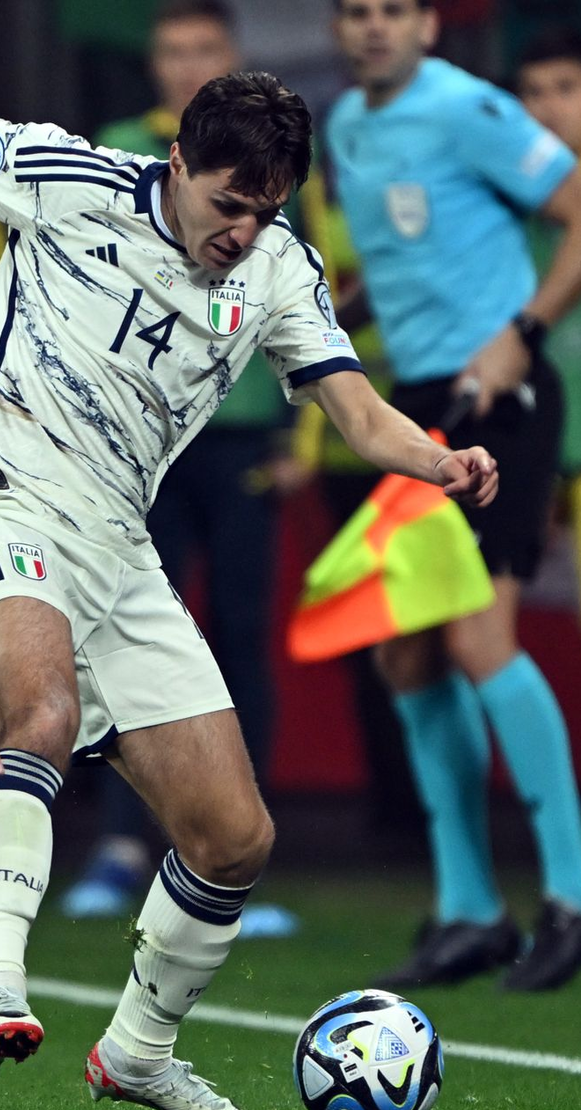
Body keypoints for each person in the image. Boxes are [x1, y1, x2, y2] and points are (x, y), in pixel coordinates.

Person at [0, 71, 497, 1110]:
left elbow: (357, 412)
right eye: (228, 202)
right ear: (177, 162)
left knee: (235, 837)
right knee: (40, 709)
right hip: (3, 504)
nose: (243, 230)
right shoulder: (67, 178)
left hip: (120, 553)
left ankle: (137, 1051)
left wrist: (436, 460)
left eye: (265, 209)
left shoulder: (280, 270)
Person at [327, 0, 581, 990]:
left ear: (428, 25)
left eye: (393, 10)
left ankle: (567, 895)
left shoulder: (470, 108)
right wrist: (333, 314)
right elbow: (403, 262)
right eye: (355, 11)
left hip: (503, 398)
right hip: (419, 407)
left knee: (479, 637)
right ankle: (472, 908)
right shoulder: (348, 124)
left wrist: (523, 326)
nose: (372, 27)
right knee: (405, 652)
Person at [62, 0, 300, 920]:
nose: (186, 63)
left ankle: (233, 852)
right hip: (140, 445)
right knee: (122, 641)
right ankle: (122, 845)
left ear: (232, 57)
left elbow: (313, 293)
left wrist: (301, 439)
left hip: (241, 436)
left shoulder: (278, 164)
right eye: (172, 50)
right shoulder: (117, 150)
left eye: (204, 48)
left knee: (238, 637)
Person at [518, 26, 581, 612]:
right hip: (540, 450)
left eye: (566, 88)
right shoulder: (509, 210)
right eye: (532, 92)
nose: (547, 107)